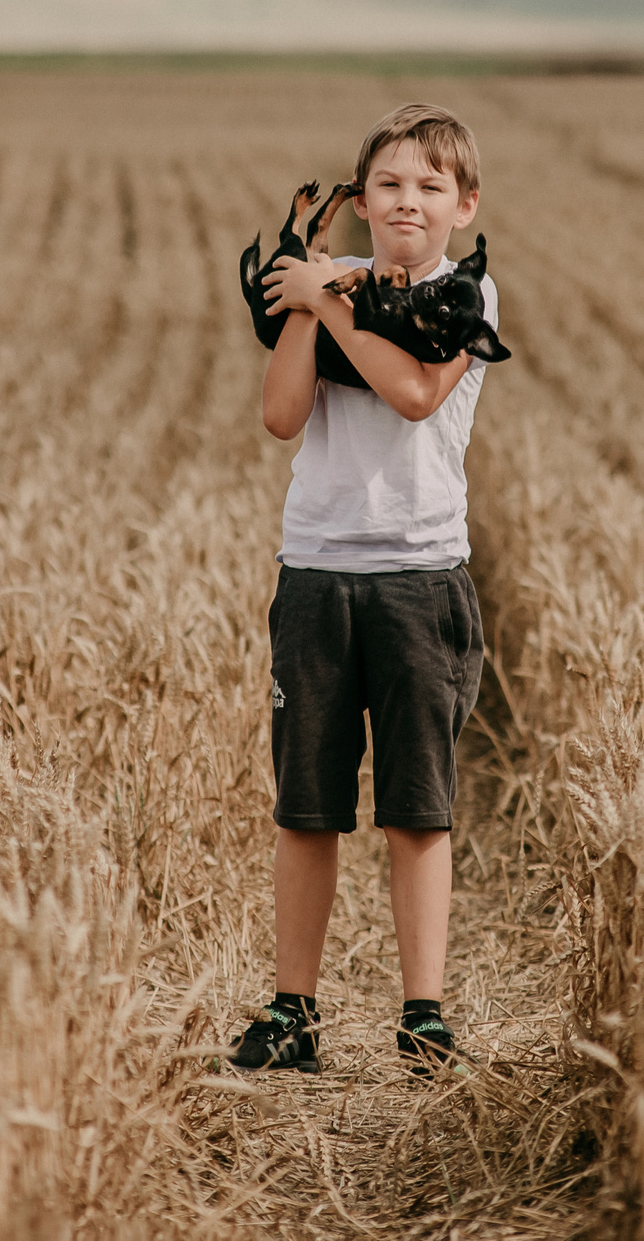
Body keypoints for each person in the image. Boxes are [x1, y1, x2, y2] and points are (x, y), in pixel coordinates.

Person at [231, 102, 501, 1077]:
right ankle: (290, 1009)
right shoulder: (323, 283)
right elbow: (280, 415)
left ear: (463, 207)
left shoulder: (468, 296)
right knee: (307, 806)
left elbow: (415, 393)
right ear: (357, 198)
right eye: (387, 183)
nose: (407, 201)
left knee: (414, 809)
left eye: (430, 186)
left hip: (420, 579)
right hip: (316, 572)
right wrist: (307, 296)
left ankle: (422, 1013)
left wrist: (326, 296)